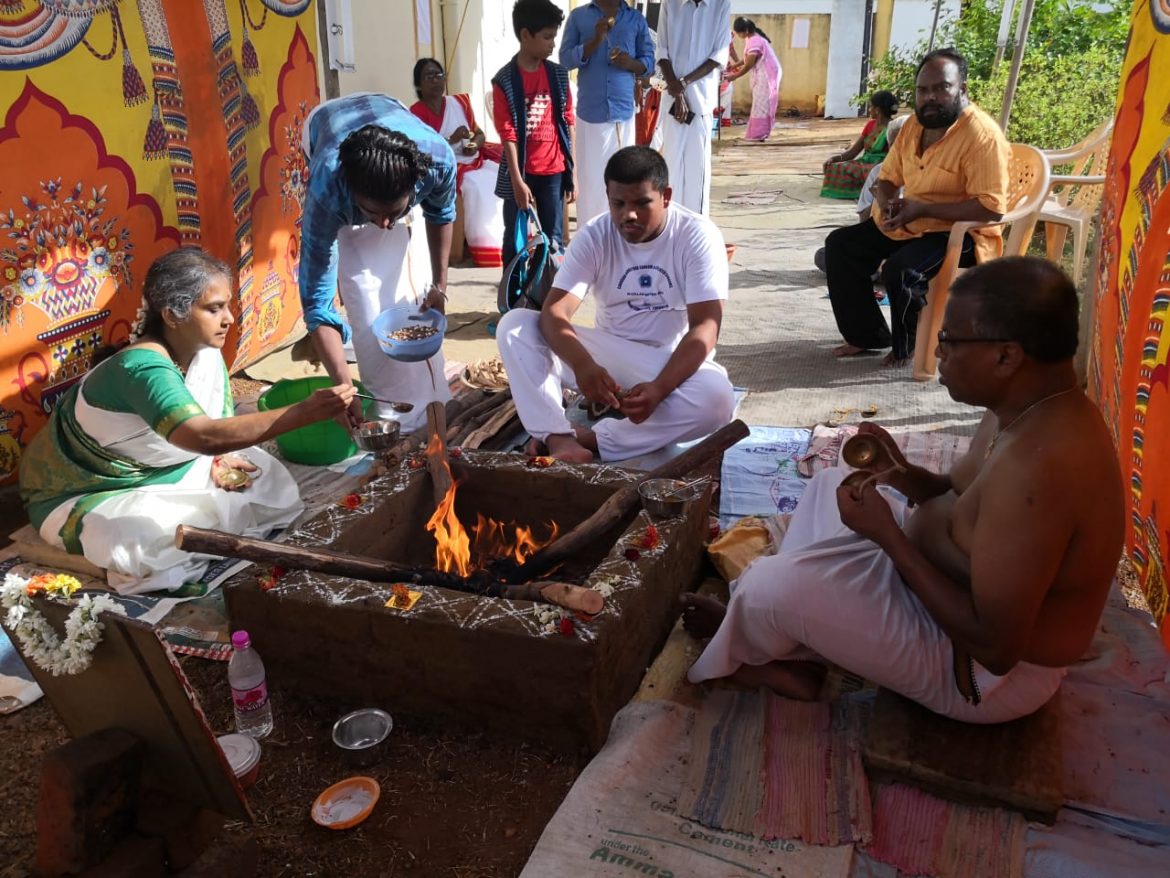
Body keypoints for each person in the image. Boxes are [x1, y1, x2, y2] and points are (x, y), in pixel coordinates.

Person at [682, 258, 1124, 723]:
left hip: (983, 677)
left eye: (951, 340)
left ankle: (762, 643)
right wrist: (900, 473)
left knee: (767, 587)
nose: (939, 350)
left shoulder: (1044, 468)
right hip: (939, 590)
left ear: (1006, 356)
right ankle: (790, 643)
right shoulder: (1019, 405)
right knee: (829, 485)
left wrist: (889, 539)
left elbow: (996, 649)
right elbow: (958, 496)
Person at [18, 248, 355, 595]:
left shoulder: (202, 353)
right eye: (214, 309)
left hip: (169, 469)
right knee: (142, 539)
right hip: (88, 491)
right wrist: (303, 413)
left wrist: (217, 459)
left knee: (266, 481)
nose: (229, 319)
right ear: (172, 315)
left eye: (227, 306)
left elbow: (212, 432)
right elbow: (204, 436)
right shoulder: (142, 369)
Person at [495, 146, 735, 463]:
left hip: (669, 364)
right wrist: (584, 365)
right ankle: (557, 436)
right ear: (607, 196)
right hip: (610, 361)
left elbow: (706, 326)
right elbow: (555, 312)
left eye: (641, 203)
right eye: (617, 204)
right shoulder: (594, 235)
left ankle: (594, 439)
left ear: (666, 196)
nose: (628, 215)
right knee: (515, 326)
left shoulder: (697, 236)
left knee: (718, 399)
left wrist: (661, 388)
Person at [824, 48, 1010, 367]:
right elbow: (887, 179)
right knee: (840, 246)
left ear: (962, 89)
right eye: (923, 90)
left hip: (960, 232)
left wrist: (921, 209)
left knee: (902, 270)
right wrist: (888, 205)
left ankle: (905, 347)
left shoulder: (982, 137)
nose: (930, 98)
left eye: (941, 88)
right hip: (911, 220)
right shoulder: (913, 125)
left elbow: (991, 210)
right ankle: (868, 336)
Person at [299, 92, 456, 433]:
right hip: (325, 124)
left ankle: (430, 398)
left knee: (412, 285)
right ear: (352, 195)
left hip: (389, 111)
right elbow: (316, 301)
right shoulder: (328, 190)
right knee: (363, 294)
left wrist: (440, 287)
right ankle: (391, 406)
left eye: (394, 212)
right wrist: (343, 387)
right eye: (373, 213)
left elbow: (441, 213)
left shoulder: (438, 161)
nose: (385, 224)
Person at [493, 0, 576, 305]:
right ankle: (512, 305)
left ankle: (547, 304)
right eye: (547, 37)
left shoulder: (558, 75)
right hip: (520, 176)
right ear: (525, 34)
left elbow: (567, 122)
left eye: (554, 36)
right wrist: (517, 181)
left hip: (553, 171)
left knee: (553, 242)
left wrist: (572, 172)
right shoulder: (505, 80)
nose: (553, 43)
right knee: (514, 243)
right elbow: (508, 134)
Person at [559, 0, 655, 227]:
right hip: (590, 113)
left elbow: (649, 63)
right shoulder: (579, 17)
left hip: (623, 114)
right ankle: (591, 241)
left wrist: (630, 63)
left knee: (624, 180)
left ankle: (621, 236)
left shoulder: (635, 19)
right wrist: (595, 41)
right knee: (591, 182)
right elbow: (564, 59)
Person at [410, 58, 507, 268]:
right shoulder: (416, 112)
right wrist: (451, 140)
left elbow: (479, 134)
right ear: (419, 84)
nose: (436, 80)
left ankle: (505, 243)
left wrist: (473, 143)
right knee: (476, 187)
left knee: (499, 177)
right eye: (429, 76)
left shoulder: (459, 103)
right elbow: (421, 149)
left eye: (439, 75)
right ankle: (481, 246)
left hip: (472, 158)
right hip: (443, 164)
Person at [654, 0, 732, 215]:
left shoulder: (720, 4)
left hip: (701, 100)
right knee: (671, 163)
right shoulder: (670, 3)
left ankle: (697, 227)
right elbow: (662, 50)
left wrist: (683, 84)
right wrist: (675, 89)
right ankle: (669, 221)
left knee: (697, 168)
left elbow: (718, 55)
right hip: (672, 99)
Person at [821, 91, 899, 199]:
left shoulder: (893, 128)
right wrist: (834, 159)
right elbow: (853, 152)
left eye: (871, 106)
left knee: (872, 172)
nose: (869, 109)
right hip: (864, 162)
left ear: (877, 110)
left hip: (880, 165)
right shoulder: (870, 125)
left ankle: (869, 190)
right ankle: (863, 189)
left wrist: (877, 167)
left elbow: (893, 157)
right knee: (834, 168)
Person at [723, 17, 782, 142]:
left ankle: (758, 134)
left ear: (745, 30)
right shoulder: (753, 38)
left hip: (766, 74)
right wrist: (734, 65)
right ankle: (757, 133)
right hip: (766, 73)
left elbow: (749, 63)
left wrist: (735, 75)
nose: (738, 36)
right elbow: (747, 59)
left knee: (761, 104)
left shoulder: (754, 40)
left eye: (739, 33)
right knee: (759, 103)